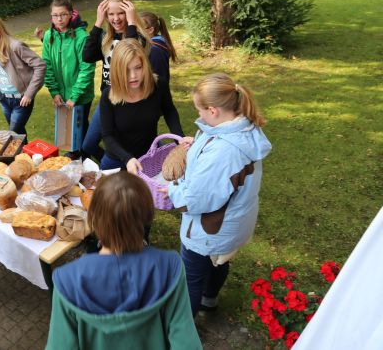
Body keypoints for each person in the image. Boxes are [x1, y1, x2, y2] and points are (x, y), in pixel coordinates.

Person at [46, 172, 201, 350]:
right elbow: (187, 344)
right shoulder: (170, 268)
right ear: (147, 217)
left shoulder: (67, 280)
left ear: (94, 220)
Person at [167, 73, 272, 316]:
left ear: (213, 110)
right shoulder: (241, 128)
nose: (199, 116)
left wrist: (171, 188)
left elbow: (193, 200)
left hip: (209, 229)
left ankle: (186, 330)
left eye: (200, 110)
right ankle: (209, 300)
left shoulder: (224, 152)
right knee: (219, 260)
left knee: (191, 278)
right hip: (234, 223)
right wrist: (199, 146)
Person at [81, 0, 150, 162]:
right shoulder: (106, 38)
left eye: (121, 13)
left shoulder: (138, 37)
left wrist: (133, 22)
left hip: (128, 101)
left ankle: (121, 166)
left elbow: (132, 49)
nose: (116, 18)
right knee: (88, 145)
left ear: (129, 12)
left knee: (130, 144)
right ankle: (120, 166)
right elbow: (87, 56)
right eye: (111, 14)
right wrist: (97, 23)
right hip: (108, 99)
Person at [100, 39, 183, 173]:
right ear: (117, 70)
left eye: (138, 68)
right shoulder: (108, 96)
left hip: (149, 156)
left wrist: (180, 138)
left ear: (145, 65)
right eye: (126, 70)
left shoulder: (158, 85)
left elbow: (169, 111)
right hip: (117, 160)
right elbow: (107, 135)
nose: (133, 76)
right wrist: (127, 158)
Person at [42, 0, 94, 158]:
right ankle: (75, 153)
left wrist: (75, 96)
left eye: (63, 14)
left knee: (80, 125)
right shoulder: (48, 36)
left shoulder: (81, 37)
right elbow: (47, 66)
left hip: (81, 95)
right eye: (55, 15)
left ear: (71, 14)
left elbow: (87, 69)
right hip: (61, 94)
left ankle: (85, 157)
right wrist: (54, 92)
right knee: (67, 128)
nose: (59, 19)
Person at [0, 14, 45, 137]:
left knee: (12, 135)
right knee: (18, 134)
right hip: (3, 99)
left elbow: (40, 65)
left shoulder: (16, 47)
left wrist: (29, 93)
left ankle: (19, 154)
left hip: (21, 101)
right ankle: (24, 155)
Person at [140, 11, 178, 83]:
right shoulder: (151, 46)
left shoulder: (155, 51)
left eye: (139, 28)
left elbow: (157, 80)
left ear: (150, 30)